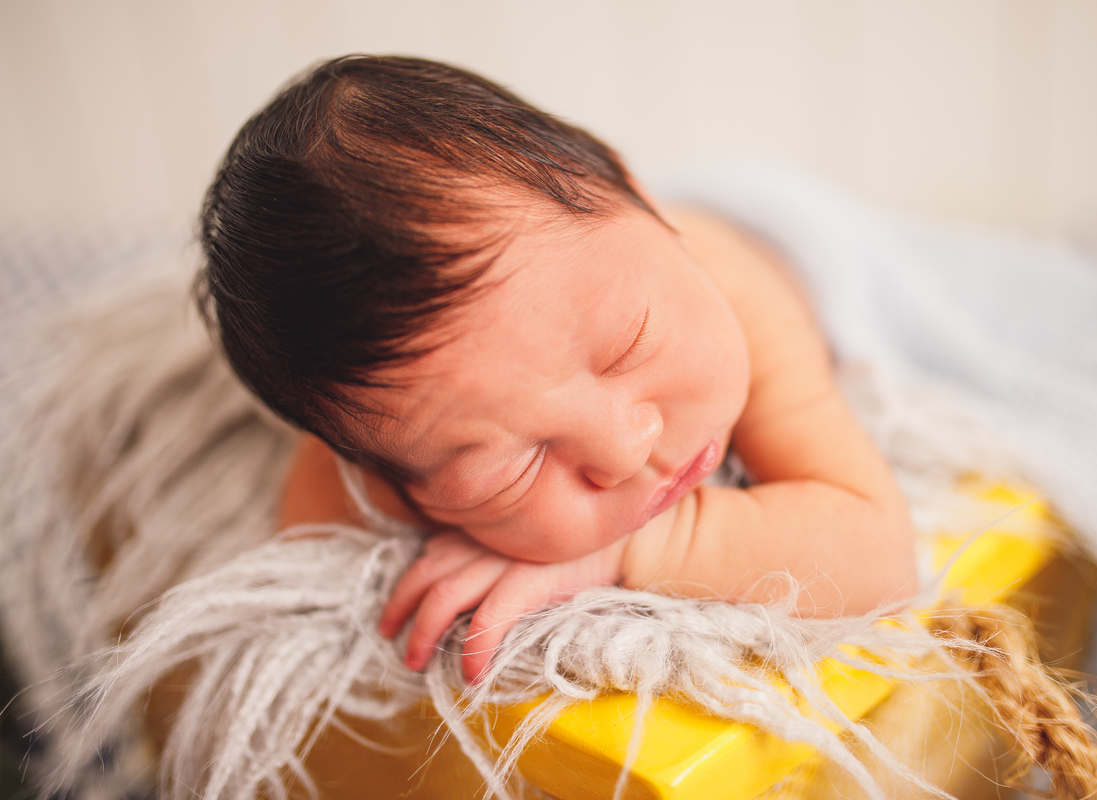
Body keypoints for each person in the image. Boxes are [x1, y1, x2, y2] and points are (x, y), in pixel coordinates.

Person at [197, 54, 917, 684]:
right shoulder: (376, 464)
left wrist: (633, 546)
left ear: (642, 196)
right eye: (516, 466)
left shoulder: (734, 293)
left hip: (789, 237)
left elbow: (881, 555)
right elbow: (309, 553)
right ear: (397, 485)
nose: (626, 450)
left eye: (629, 345)